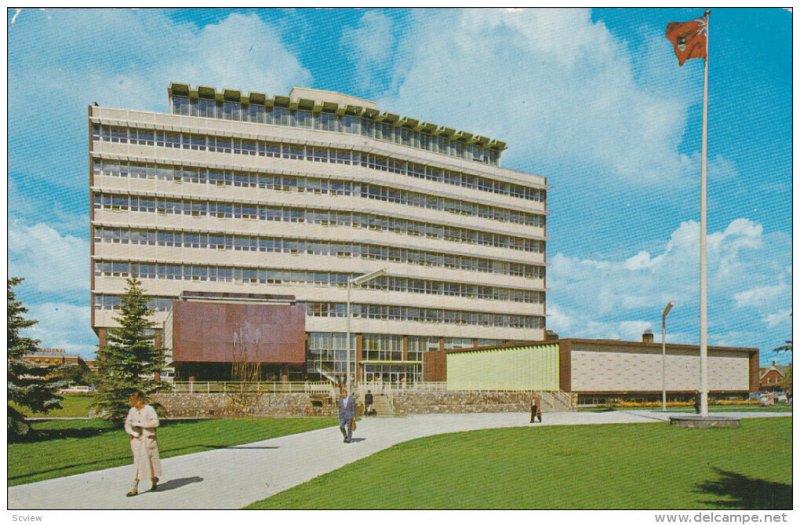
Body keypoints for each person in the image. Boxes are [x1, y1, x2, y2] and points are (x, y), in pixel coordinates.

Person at [124, 390, 161, 496]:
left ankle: (154, 481)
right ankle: (134, 488)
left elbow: (156, 422)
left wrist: (142, 424)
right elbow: (127, 424)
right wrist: (131, 432)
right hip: (136, 441)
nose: (133, 403)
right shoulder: (132, 410)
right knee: (138, 462)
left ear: (140, 400)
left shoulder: (149, 409)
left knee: (149, 461)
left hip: (148, 439)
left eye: (135, 401)